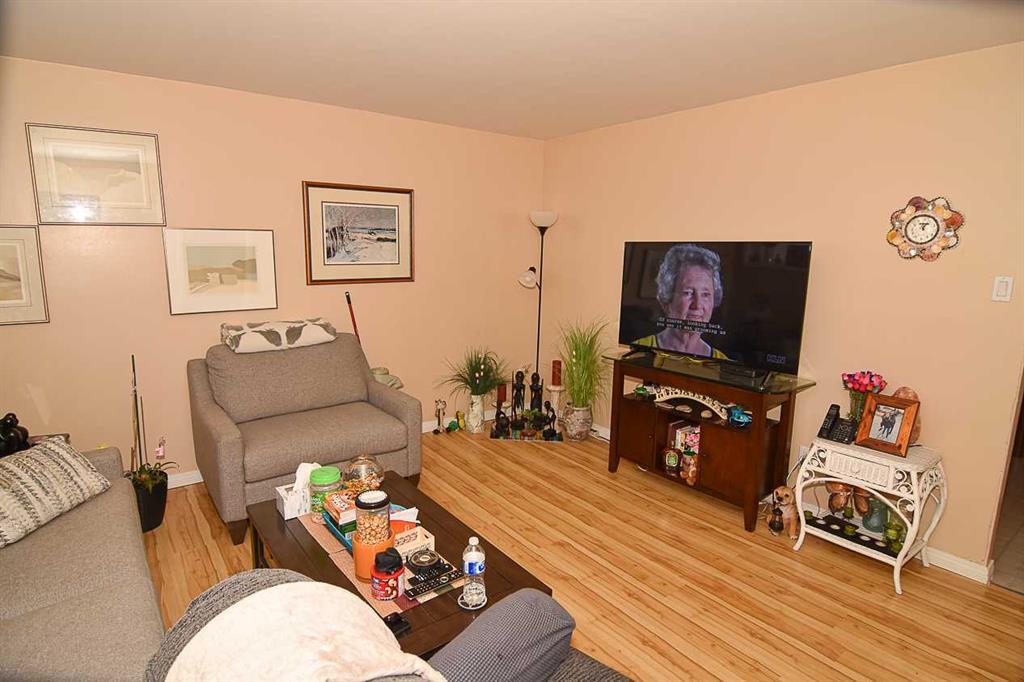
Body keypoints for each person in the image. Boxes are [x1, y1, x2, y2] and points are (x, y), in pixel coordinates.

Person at [633, 243, 729, 359]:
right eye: (688, 293)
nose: (697, 305)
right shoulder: (638, 352)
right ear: (667, 300)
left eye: (705, 294)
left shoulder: (722, 361)